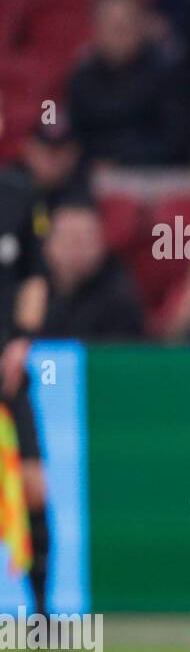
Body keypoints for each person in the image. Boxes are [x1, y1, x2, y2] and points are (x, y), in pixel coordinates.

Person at [0, 110, 52, 620]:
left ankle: (40, 615)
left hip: (7, 365)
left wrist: (23, 340)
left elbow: (36, 276)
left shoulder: (18, 194)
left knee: (35, 485)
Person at [67, 0, 190, 166]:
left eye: (127, 25)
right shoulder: (82, 77)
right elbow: (73, 136)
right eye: (113, 26)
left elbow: (177, 139)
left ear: (142, 28)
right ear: (97, 31)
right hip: (92, 173)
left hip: (152, 176)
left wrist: (121, 160)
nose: (120, 33)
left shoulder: (167, 74)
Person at [39, 204, 146, 341]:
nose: (78, 249)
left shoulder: (120, 299)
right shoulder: (28, 290)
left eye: (87, 239)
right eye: (69, 239)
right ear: (47, 245)